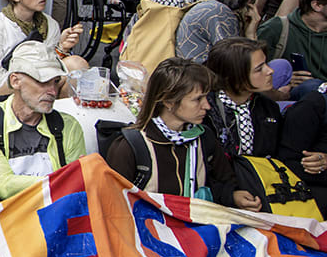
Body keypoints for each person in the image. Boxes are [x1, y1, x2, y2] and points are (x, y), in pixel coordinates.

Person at [106, 58, 257, 217]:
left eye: (206, 97)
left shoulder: (204, 138)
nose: (207, 105)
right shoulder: (131, 146)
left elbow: (221, 183)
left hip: (196, 230)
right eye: (197, 99)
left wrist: (232, 197)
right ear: (168, 101)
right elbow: (114, 206)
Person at [0, 41, 85, 202]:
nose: (52, 91)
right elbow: (4, 185)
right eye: (43, 81)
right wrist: (61, 183)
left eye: (55, 81)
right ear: (15, 81)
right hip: (8, 219)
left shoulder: (68, 126)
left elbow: (78, 186)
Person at [204, 37, 283, 170]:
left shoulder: (269, 108)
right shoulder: (206, 110)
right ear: (234, 76)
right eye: (259, 69)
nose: (270, 71)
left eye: (266, 64)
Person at [257, 0, 327, 83]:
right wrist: (284, 78)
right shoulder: (276, 29)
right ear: (317, 5)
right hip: (286, 96)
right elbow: (252, 72)